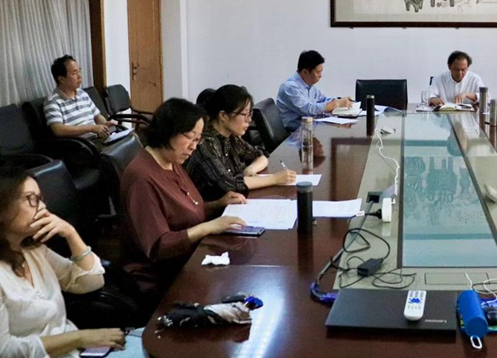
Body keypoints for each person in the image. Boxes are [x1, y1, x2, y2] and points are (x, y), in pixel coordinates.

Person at [120, 98, 247, 309]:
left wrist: (218, 204)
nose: (193, 147)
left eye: (197, 139)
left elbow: (183, 212)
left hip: (189, 258)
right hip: (163, 276)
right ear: (168, 131)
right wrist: (208, 227)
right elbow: (159, 246)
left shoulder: (170, 160)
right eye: (189, 137)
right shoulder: (142, 178)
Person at [0, 165, 125, 357]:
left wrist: (70, 233)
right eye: (30, 199)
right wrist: (79, 338)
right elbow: (6, 350)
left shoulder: (33, 251)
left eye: (40, 198)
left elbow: (91, 283)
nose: (42, 207)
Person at [186, 85, 296, 201]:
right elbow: (228, 184)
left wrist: (250, 169)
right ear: (223, 116)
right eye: (244, 115)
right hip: (213, 208)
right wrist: (275, 179)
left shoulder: (231, 136)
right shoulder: (205, 143)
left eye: (250, 114)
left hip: (235, 202)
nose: (249, 120)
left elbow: (261, 155)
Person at [277, 50, 353, 132]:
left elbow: (322, 99)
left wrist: (337, 100)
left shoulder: (308, 85)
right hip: (294, 134)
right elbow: (308, 110)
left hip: (309, 128)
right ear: (305, 72)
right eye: (318, 72)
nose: (320, 76)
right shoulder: (290, 87)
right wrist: (336, 104)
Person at [43, 55, 116, 139]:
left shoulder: (82, 94)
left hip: (97, 138)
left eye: (79, 71)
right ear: (61, 79)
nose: (79, 76)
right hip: (81, 144)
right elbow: (58, 130)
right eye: (74, 73)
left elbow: (97, 116)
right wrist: (91, 128)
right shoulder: (52, 101)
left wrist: (104, 124)